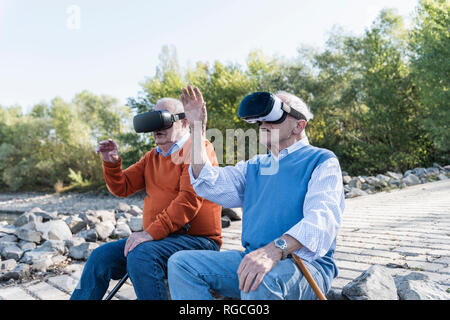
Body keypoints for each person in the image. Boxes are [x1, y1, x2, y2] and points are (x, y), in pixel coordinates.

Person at [167, 86, 344, 300]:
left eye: (274, 117)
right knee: (182, 264)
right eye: (260, 120)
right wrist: (197, 129)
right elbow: (207, 182)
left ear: (299, 125)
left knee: (261, 280)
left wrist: (275, 249)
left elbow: (321, 221)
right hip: (254, 259)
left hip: (306, 266)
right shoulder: (255, 166)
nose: (264, 125)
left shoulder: (321, 160)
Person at [70, 97, 222, 300]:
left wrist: (149, 233)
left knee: (142, 254)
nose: (156, 128)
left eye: (163, 121)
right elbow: (122, 186)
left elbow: (188, 201)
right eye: (152, 122)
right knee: (100, 257)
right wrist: (111, 163)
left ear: (184, 122)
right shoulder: (153, 157)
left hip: (198, 240)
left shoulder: (199, 150)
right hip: (160, 239)